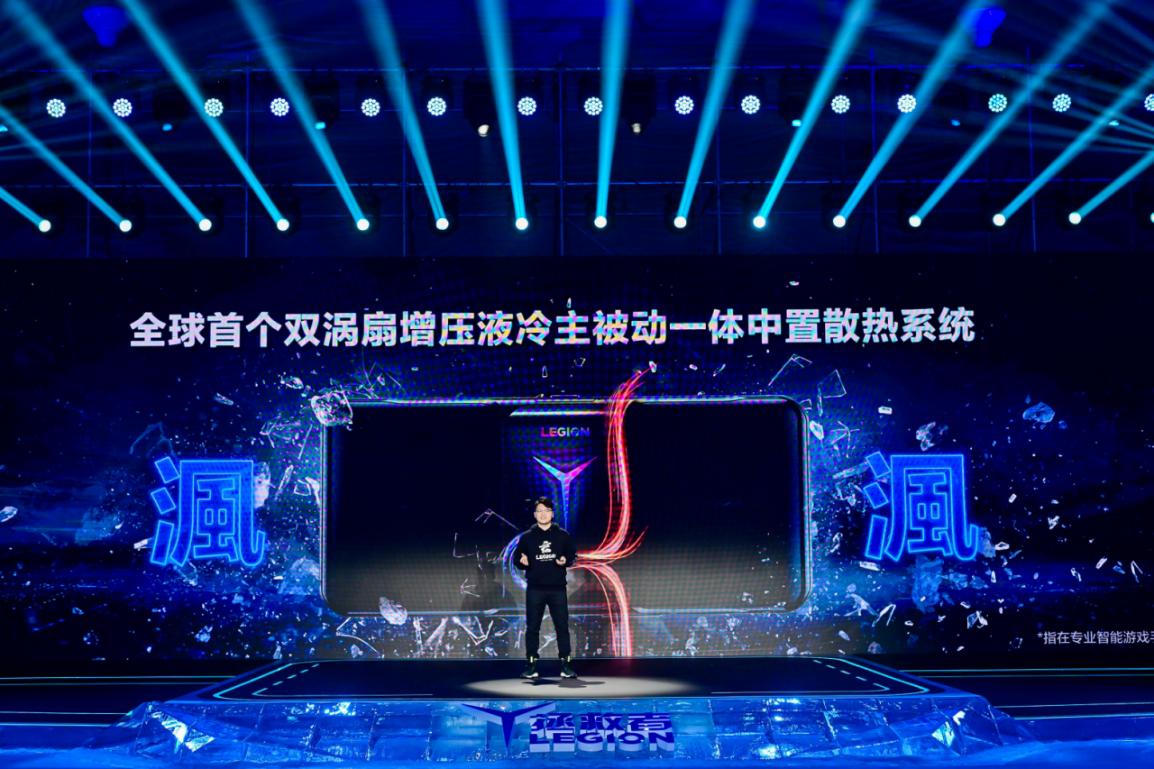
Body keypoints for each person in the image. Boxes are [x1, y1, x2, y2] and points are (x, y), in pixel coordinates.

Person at [513, 496, 577, 679]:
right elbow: (517, 559)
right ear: (535, 515)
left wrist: (565, 560)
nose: (543, 514)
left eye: (546, 511)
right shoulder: (527, 537)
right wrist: (522, 562)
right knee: (532, 628)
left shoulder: (562, 535)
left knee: (562, 627)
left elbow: (572, 555)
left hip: (557, 589)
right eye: (539, 511)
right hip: (535, 589)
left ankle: (566, 665)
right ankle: (531, 666)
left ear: (552, 514)